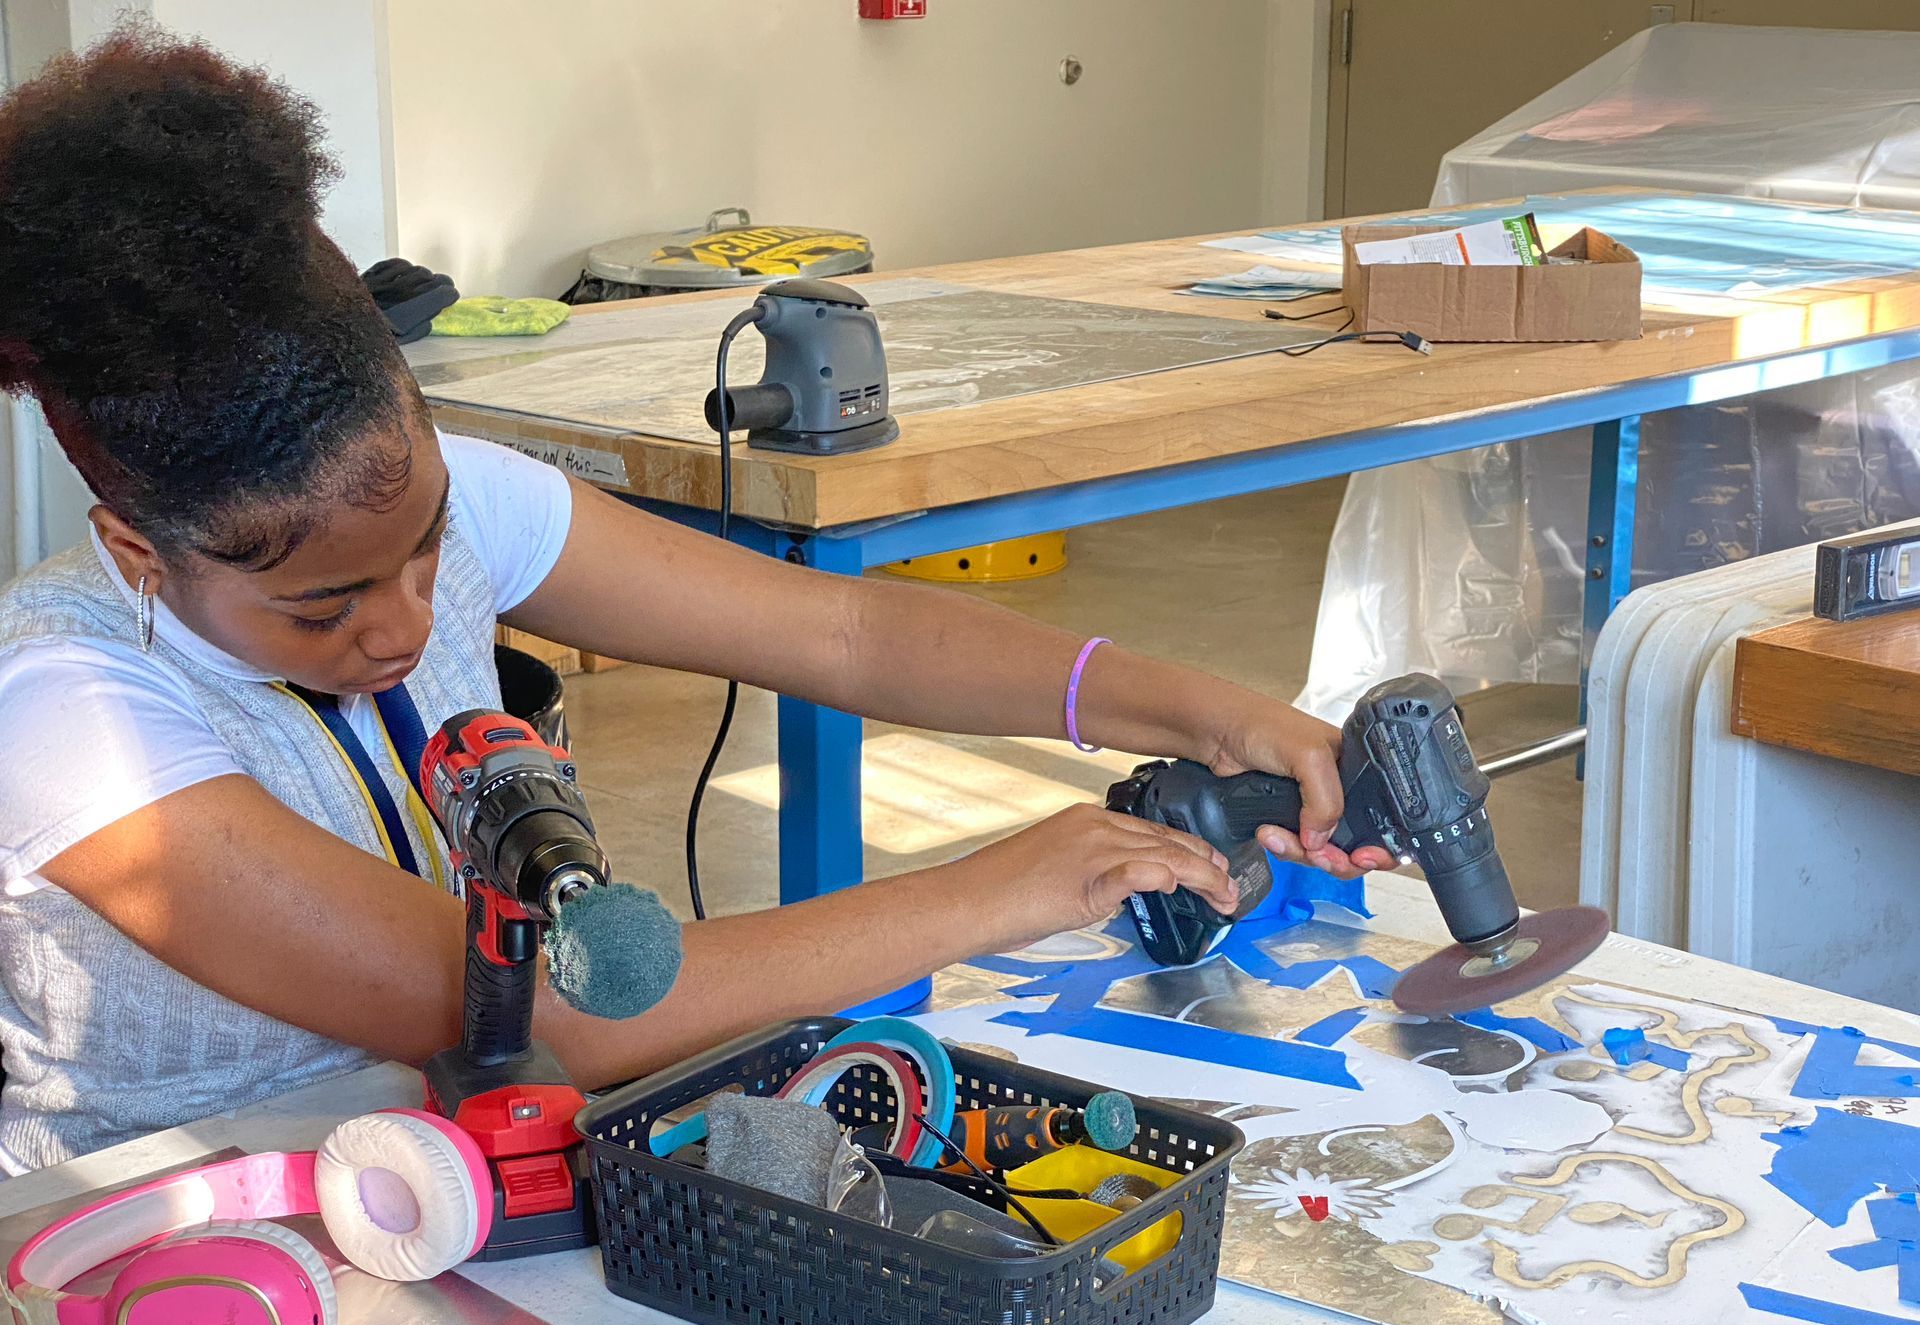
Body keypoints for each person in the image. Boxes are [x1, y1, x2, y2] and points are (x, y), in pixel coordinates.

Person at [0, 28, 1390, 1174]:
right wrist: (1004, 886)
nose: (408, 622)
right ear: (136, 549)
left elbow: (846, 633)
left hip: (444, 1177)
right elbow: (551, 1013)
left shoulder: (446, 497)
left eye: (425, 547)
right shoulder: (64, 710)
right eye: (322, 610)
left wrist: (1194, 708)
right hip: (177, 1255)